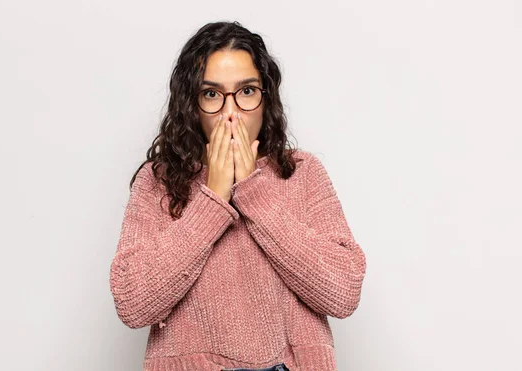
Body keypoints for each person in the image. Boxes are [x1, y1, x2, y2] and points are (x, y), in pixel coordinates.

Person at [109, 21, 367, 371]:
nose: (231, 112)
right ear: (192, 104)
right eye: (212, 94)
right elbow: (133, 303)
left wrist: (254, 195)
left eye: (246, 91)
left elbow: (343, 293)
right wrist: (213, 198)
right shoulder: (158, 182)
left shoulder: (302, 173)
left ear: (265, 97)